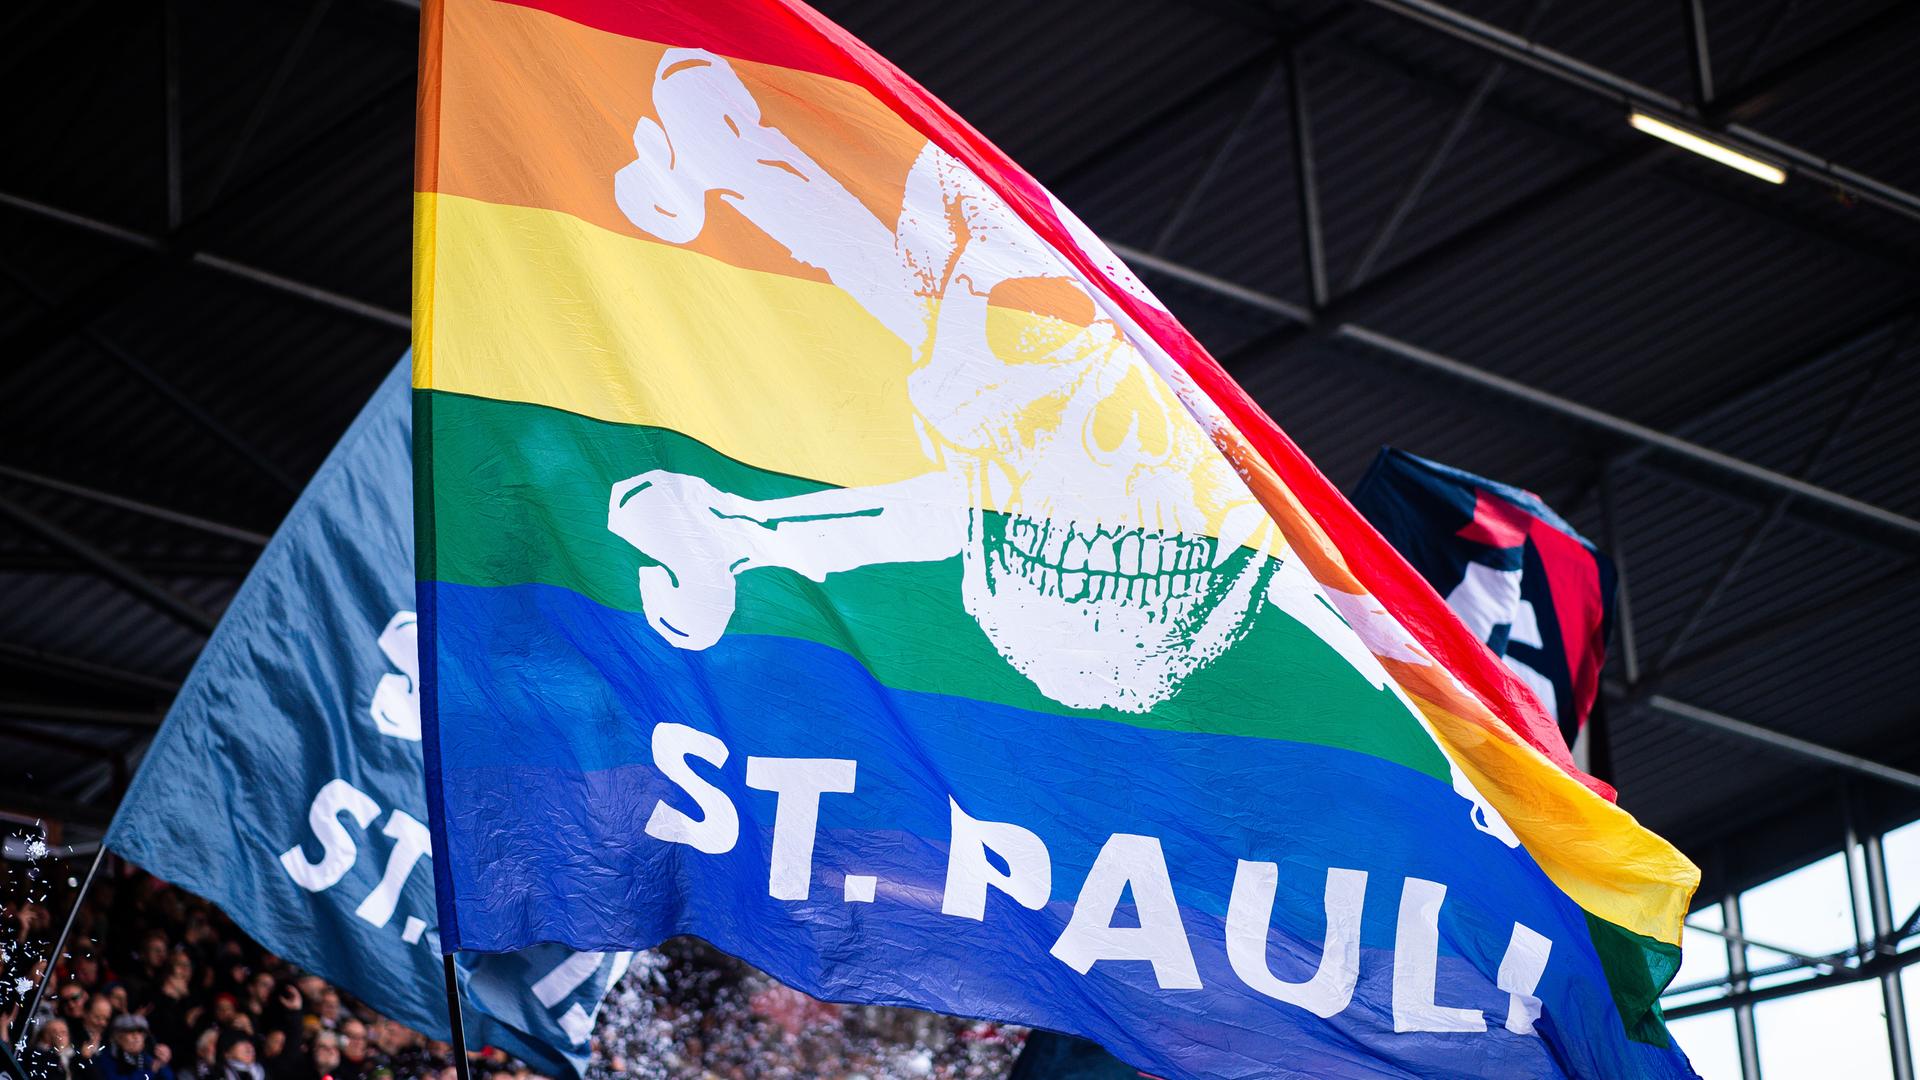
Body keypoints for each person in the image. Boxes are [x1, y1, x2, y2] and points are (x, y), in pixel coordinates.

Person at [93, 1013, 173, 1080]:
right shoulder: (107, 1057)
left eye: (140, 1032)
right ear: (117, 1037)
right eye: (130, 1032)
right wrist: (150, 1072)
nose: (136, 1037)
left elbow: (169, 1078)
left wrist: (162, 1064)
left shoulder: (147, 1058)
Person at [23, 1017, 93, 1080]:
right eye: (54, 1032)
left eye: (63, 1032)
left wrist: (85, 1059)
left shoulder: (76, 1059)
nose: (60, 1036)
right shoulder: (37, 1056)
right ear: (45, 1036)